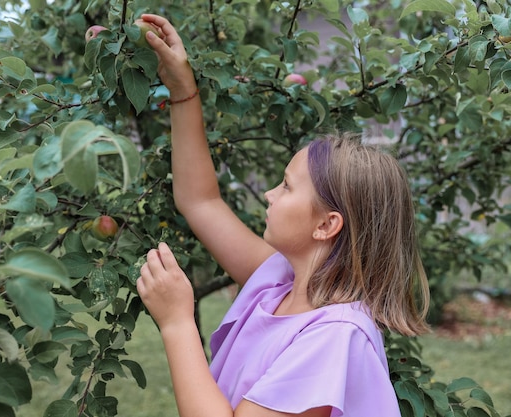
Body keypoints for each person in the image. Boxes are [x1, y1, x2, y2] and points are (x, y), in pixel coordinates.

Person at [135, 13, 430, 417]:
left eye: (287, 186)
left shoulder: (335, 336)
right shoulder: (279, 283)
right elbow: (200, 201)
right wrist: (183, 90)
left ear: (327, 225)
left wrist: (176, 322)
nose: (271, 195)